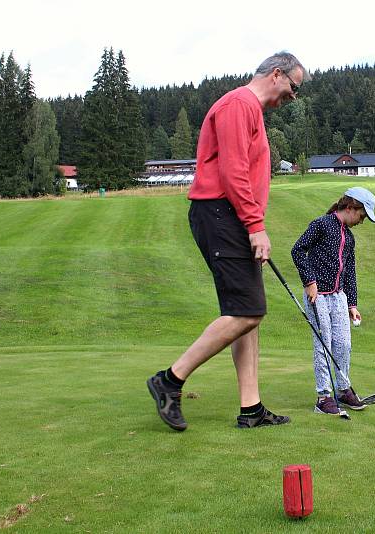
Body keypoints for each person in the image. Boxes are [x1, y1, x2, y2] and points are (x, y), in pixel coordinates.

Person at [147, 52, 310, 431]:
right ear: (276, 74)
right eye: (294, 87)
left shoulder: (249, 110)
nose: (293, 97)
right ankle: (169, 380)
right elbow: (233, 170)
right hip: (221, 213)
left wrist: (252, 223)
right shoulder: (239, 104)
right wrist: (255, 226)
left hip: (231, 216)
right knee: (247, 311)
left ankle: (250, 409)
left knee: (248, 313)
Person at [290, 187, 375, 415]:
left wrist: (352, 304)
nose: (361, 221)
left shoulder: (349, 236)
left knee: (343, 344)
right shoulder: (321, 224)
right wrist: (309, 281)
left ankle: (343, 389)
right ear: (350, 208)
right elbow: (297, 250)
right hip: (317, 296)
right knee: (323, 345)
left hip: (339, 297)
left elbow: (350, 271)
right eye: (362, 215)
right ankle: (323, 397)